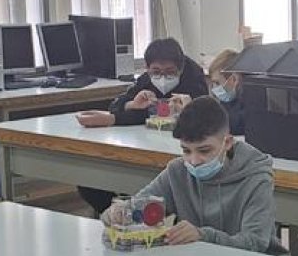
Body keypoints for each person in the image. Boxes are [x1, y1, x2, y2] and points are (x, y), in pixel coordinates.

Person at [100, 96, 279, 254]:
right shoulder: (177, 171)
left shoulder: (256, 177)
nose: (194, 161)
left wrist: (203, 235)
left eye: (204, 150)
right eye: (186, 150)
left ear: (228, 142)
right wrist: (121, 213)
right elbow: (140, 205)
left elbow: (255, 243)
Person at [75, 38, 210, 214]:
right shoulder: (147, 80)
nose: (162, 77)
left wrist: (188, 109)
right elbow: (117, 105)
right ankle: (117, 215)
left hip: (179, 149)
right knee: (88, 179)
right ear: (147, 69)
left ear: (181, 68)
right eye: (156, 71)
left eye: (169, 72)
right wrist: (131, 105)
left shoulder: (194, 78)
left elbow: (206, 117)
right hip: (145, 140)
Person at [206, 48, 245, 136]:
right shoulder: (228, 99)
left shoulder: (251, 101)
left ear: (234, 79)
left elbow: (232, 126)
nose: (214, 88)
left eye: (217, 83)